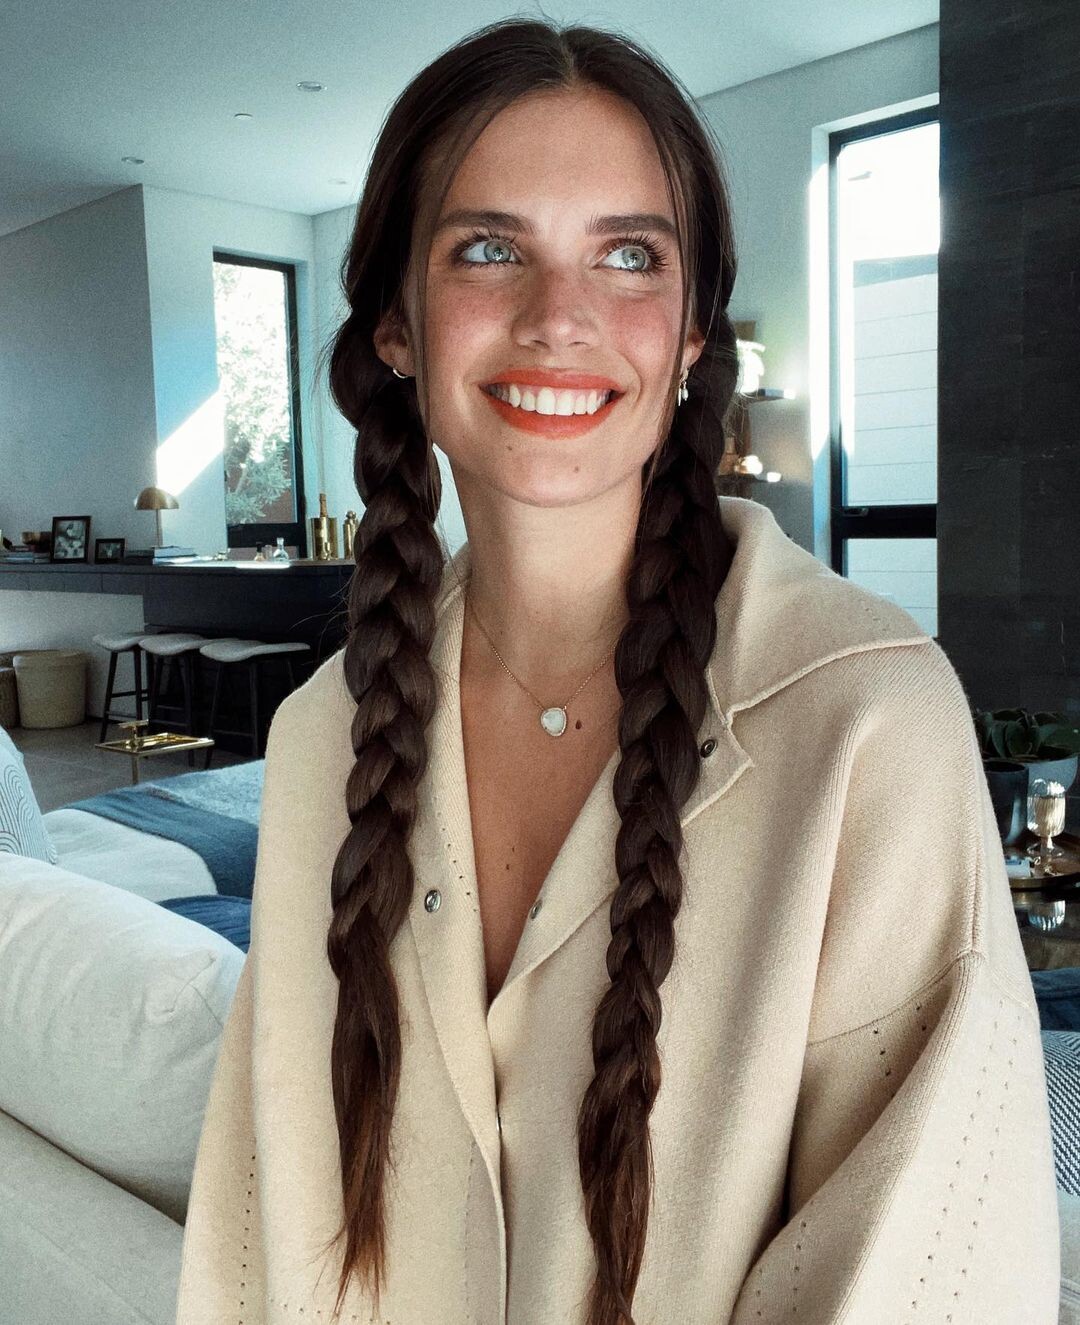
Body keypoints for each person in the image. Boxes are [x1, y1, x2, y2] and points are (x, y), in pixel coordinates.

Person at [174, 18, 1060, 1325]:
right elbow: (267, 1228)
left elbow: (930, 1279)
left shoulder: (868, 719)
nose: (559, 318)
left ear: (693, 334)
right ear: (397, 326)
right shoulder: (323, 737)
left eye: (629, 255)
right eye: (489, 248)